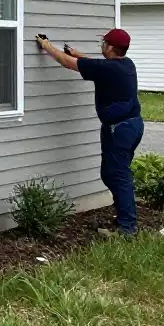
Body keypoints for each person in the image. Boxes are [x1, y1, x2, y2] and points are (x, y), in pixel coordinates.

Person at [36, 28, 144, 237]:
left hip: (120, 129)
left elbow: (67, 63)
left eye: (103, 43)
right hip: (131, 125)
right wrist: (77, 54)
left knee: (117, 175)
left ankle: (127, 228)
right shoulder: (126, 65)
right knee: (113, 174)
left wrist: (46, 45)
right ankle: (124, 218)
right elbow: (96, 66)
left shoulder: (109, 69)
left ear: (110, 48)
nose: (101, 45)